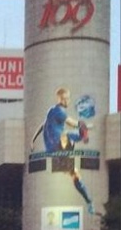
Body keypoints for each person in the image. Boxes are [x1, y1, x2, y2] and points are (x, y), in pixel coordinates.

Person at [30, 86, 94, 215]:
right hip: (57, 144)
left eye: (68, 98)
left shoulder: (50, 112)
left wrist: (32, 139)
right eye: (66, 99)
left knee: (75, 175)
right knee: (68, 134)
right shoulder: (60, 111)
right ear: (60, 99)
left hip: (53, 150)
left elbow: (43, 125)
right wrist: (86, 126)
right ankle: (81, 135)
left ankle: (88, 201)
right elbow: (72, 123)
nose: (68, 101)